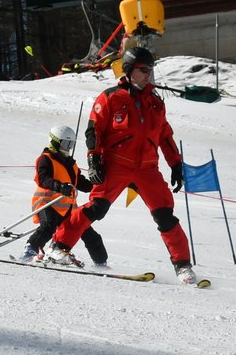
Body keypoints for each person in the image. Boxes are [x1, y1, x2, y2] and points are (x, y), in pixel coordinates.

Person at [45, 46, 198, 283]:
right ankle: (58, 246)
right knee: (97, 208)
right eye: (143, 69)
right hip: (117, 164)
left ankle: (183, 267)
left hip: (147, 168)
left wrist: (176, 164)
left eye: (150, 69)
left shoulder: (156, 103)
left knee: (165, 216)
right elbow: (94, 130)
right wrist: (94, 160)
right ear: (128, 70)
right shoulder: (110, 97)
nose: (148, 74)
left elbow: (165, 135)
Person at [19, 124, 109, 269]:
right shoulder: (45, 159)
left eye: (71, 144)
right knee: (48, 226)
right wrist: (60, 187)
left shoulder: (71, 164)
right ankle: (28, 252)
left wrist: (99, 187)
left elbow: (81, 183)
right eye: (66, 143)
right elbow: (43, 179)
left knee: (88, 233)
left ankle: (101, 263)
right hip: (47, 203)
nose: (69, 148)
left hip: (67, 208)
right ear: (55, 142)